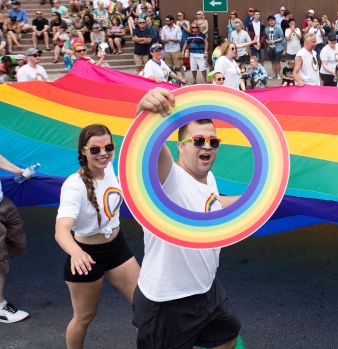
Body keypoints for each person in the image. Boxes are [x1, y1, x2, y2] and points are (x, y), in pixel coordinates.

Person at [132, 90, 242, 349]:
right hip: (168, 301)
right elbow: (150, 149)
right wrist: (146, 114)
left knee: (228, 338)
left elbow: (212, 204)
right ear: (180, 146)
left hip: (206, 287)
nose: (207, 146)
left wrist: (258, 201)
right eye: (198, 140)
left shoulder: (208, 178)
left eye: (213, 142)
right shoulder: (170, 178)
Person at [55, 124, 140, 347]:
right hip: (87, 256)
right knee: (84, 317)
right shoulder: (74, 186)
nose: (103, 153)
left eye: (108, 147)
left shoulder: (109, 166)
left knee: (145, 306)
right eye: (95, 149)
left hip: (118, 248)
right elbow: (61, 230)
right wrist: (75, 252)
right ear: (83, 151)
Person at [0, 154, 29, 324]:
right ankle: (0, 307)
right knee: (0, 257)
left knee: (16, 241)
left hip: (3, 203)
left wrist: (18, 171)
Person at [161, 15, 185, 81]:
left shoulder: (177, 28)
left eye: (168, 20)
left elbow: (178, 39)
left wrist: (170, 39)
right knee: (169, 66)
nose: (166, 22)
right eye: (166, 20)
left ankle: (183, 78)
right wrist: (166, 40)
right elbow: (162, 39)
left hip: (175, 49)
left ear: (172, 21)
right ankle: (171, 78)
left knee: (179, 65)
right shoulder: (164, 28)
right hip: (167, 49)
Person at [265, 15, 284, 79]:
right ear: (268, 22)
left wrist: (275, 41)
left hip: (277, 47)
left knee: (277, 61)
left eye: (273, 20)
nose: (272, 22)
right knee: (272, 61)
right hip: (270, 47)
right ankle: (274, 74)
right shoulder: (267, 29)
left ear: (275, 21)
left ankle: (278, 74)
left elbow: (282, 37)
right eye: (270, 21)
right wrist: (267, 41)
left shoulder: (278, 28)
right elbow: (265, 38)